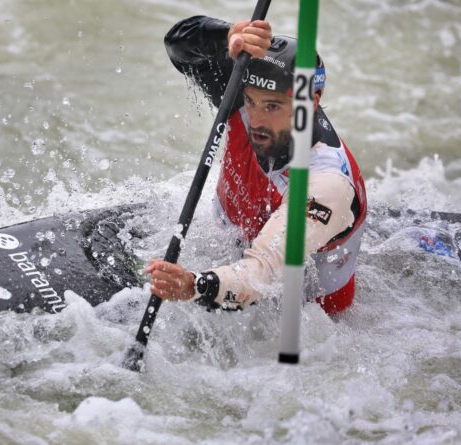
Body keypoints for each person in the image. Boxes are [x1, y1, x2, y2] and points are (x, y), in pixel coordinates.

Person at [146, 16, 367, 314]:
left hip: (305, 315)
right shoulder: (245, 86)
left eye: (273, 106)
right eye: (251, 102)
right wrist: (225, 37)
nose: (257, 120)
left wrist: (192, 285)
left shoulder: (327, 185)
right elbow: (178, 46)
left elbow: (262, 274)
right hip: (228, 244)